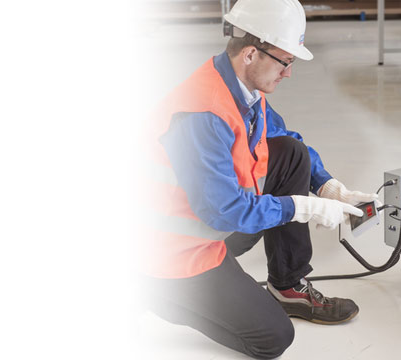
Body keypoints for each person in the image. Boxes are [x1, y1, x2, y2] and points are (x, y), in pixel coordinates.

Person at [144, 0, 377, 358]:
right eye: (286, 62)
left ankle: (287, 286)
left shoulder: (242, 89)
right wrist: (301, 208)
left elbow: (287, 140)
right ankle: (156, 292)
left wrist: (330, 188)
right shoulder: (203, 114)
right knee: (273, 338)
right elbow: (223, 212)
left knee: (290, 153)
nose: (288, 73)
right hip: (172, 251)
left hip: (209, 228)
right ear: (252, 54)